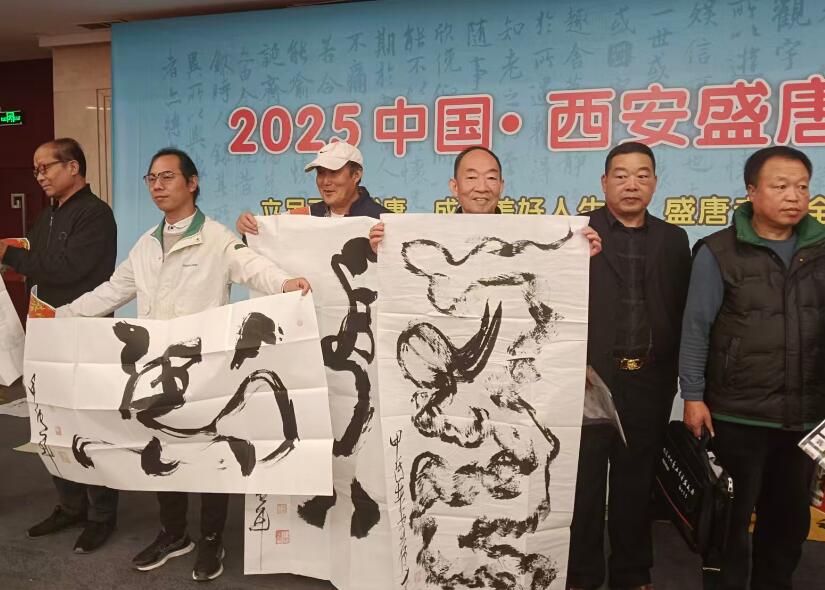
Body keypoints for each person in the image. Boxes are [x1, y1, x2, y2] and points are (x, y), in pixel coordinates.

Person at [57, 147, 310, 582]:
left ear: (192, 183)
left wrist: (285, 282)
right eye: (151, 178)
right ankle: (174, 534)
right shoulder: (146, 244)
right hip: (158, 371)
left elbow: (252, 266)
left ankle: (211, 538)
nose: (158, 186)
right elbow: (112, 291)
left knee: (212, 451)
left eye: (168, 177)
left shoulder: (215, 237)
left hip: (205, 369)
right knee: (162, 449)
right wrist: (61, 316)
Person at [679, 145, 823, 590]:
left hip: (803, 417)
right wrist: (693, 395)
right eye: (780, 186)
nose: (793, 196)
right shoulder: (718, 251)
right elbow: (696, 327)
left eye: (802, 187)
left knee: (788, 522)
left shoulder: (821, 250)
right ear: (751, 191)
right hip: (736, 414)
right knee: (729, 521)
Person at [567, 142, 691, 590]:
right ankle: (580, 575)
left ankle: (632, 573)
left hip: (648, 381)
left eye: (642, 175)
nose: (631, 184)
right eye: (620, 175)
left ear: (655, 183)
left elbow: (683, 310)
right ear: (604, 183)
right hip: (588, 380)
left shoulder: (674, 240)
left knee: (636, 484)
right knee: (584, 485)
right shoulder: (575, 233)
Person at [0, 137, 119, 554]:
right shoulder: (49, 214)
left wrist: (11, 255)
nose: (39, 176)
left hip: (84, 336)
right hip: (47, 333)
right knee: (50, 422)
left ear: (73, 167)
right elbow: (38, 259)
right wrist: (15, 254)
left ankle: (101, 515)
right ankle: (70, 505)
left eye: (46, 167)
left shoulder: (95, 214)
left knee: (88, 425)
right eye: (36, 170)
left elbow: (69, 269)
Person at [367, 146, 603, 255]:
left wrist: (577, 255)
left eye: (491, 178)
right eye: (471, 178)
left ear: (501, 186)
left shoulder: (524, 235)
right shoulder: (432, 236)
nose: (481, 187)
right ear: (454, 187)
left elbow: (549, 276)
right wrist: (387, 254)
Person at [236, 140, 387, 238]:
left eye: (334, 172)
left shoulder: (383, 220)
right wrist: (247, 227)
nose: (325, 181)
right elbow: (268, 236)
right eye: (320, 173)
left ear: (356, 175)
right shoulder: (306, 215)